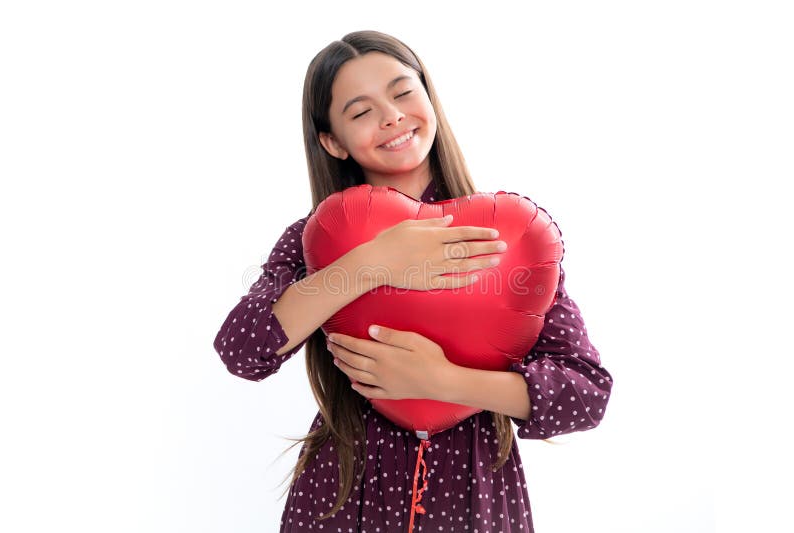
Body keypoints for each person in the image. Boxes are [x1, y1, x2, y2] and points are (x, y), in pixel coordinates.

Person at [212, 30, 614, 533]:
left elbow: (585, 394)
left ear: (429, 98)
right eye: (360, 112)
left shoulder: (508, 235)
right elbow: (242, 351)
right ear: (332, 142)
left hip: (475, 497)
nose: (391, 117)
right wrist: (370, 263)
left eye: (403, 93)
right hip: (345, 496)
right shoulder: (315, 241)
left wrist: (443, 381)